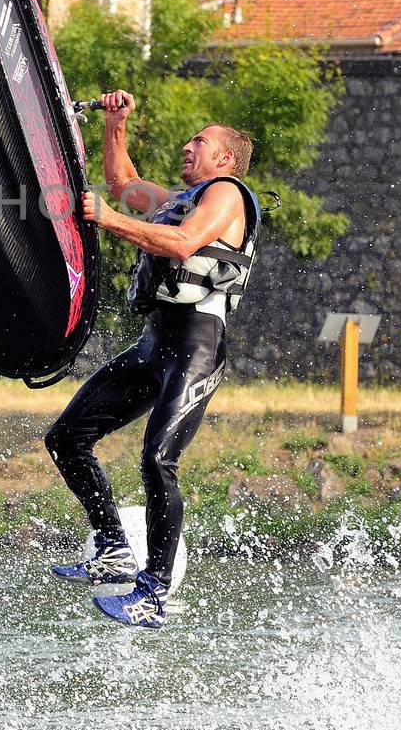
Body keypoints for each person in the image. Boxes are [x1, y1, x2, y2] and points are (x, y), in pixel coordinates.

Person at [45, 89, 261, 629]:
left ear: (226, 159)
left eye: (201, 141)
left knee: (157, 459)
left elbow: (185, 244)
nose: (189, 146)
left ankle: (153, 592)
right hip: (154, 345)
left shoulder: (229, 196)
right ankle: (114, 547)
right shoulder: (174, 198)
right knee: (66, 438)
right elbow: (121, 184)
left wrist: (109, 221)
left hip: (197, 348)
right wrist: (116, 124)